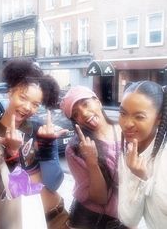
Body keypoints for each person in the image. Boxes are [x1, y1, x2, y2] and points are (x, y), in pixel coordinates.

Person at [0, 58, 69, 229]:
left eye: (35, 104)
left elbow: (54, 182)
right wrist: (11, 153)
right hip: (22, 222)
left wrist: (48, 147)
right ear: (10, 92)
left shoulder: (39, 130)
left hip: (57, 216)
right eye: (23, 97)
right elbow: (8, 190)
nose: (28, 107)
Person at [60, 85, 127, 229]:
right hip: (88, 219)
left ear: (97, 101)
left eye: (85, 104)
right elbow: (100, 198)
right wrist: (92, 162)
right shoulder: (75, 148)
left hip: (123, 218)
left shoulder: (127, 132)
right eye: (76, 114)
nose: (83, 113)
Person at [118, 80, 167, 228]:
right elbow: (128, 219)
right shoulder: (127, 154)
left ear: (158, 119)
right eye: (123, 113)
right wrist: (138, 177)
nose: (127, 124)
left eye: (139, 116)